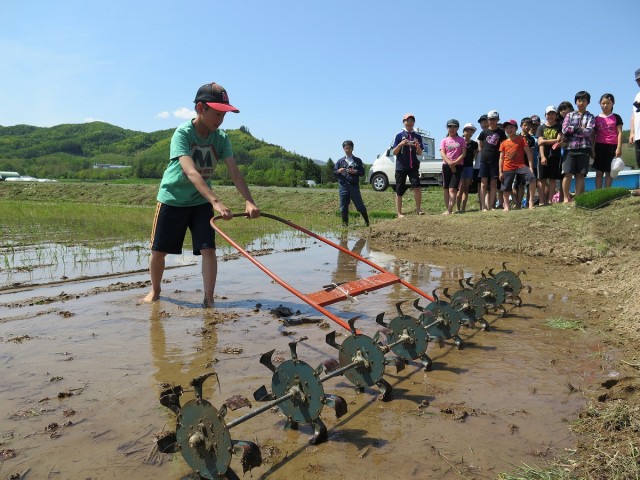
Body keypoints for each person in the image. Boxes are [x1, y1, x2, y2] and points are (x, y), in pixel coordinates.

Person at [142, 82, 260, 307]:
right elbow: (191, 171)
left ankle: (209, 299)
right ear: (200, 108)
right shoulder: (183, 134)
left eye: (224, 114)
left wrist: (249, 201)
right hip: (173, 199)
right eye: (216, 113)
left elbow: (234, 172)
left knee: (208, 249)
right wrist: (216, 201)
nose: (220, 119)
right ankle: (155, 291)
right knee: (159, 251)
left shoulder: (221, 138)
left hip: (200, 202)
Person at [561, 91, 595, 202]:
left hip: (584, 148)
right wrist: (579, 129)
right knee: (567, 173)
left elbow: (589, 132)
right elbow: (565, 130)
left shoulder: (590, 116)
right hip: (570, 148)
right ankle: (566, 198)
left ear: (588, 102)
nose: (581, 103)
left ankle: (578, 198)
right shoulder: (569, 115)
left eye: (584, 100)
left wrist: (573, 129)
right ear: (576, 102)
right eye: (579, 100)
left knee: (580, 175)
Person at [498, 119, 536, 211]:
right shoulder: (503, 143)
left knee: (532, 178)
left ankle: (531, 201)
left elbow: (528, 153)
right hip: (507, 167)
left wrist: (530, 167)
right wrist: (500, 172)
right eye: (507, 128)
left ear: (516, 128)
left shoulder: (522, 139)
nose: (509, 129)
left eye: (511, 127)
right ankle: (506, 205)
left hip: (521, 166)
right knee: (506, 186)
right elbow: (501, 158)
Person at [392, 113, 425, 217]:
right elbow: (394, 152)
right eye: (407, 120)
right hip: (401, 166)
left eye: (411, 120)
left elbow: (420, 153)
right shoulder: (398, 135)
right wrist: (401, 144)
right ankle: (399, 213)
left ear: (414, 122)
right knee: (399, 189)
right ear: (404, 122)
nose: (409, 122)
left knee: (417, 187)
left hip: (413, 165)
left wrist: (417, 146)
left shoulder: (418, 136)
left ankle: (418, 209)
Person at [334, 140, 370, 227]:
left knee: (359, 205)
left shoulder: (357, 160)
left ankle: (367, 223)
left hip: (354, 186)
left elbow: (362, 173)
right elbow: (334, 172)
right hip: (343, 186)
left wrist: (355, 171)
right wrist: (339, 170)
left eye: (349, 148)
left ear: (352, 148)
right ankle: (344, 224)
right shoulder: (340, 161)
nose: (347, 150)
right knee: (343, 207)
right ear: (343, 149)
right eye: (345, 148)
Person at [477, 110, 507, 211]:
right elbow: (480, 145)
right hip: (484, 160)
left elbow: (504, 145)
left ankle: (491, 206)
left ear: (497, 120)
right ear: (488, 120)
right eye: (490, 119)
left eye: (494, 119)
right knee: (483, 183)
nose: (492, 121)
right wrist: (484, 153)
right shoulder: (483, 132)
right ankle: (483, 207)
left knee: (494, 184)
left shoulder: (501, 132)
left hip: (496, 161)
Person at [593, 94, 624, 189]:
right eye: (603, 103)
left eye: (608, 103)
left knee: (609, 172)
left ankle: (606, 192)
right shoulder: (596, 118)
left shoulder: (616, 117)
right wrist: (592, 149)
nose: (605, 105)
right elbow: (593, 135)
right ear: (600, 104)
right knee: (599, 172)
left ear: (613, 103)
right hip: (599, 146)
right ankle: (598, 193)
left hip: (612, 147)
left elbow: (619, 133)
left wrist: (618, 148)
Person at [537, 106, 563, 205]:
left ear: (556, 115)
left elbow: (558, 139)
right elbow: (540, 143)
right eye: (549, 114)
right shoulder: (541, 127)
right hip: (543, 155)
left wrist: (544, 141)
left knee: (552, 179)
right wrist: (543, 156)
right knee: (541, 179)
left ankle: (550, 200)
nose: (551, 116)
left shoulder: (559, 126)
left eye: (553, 114)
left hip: (555, 156)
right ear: (545, 115)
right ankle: (541, 200)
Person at [439, 119, 466, 215]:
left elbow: (463, 154)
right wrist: (450, 163)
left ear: (457, 128)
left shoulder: (461, 140)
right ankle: (449, 209)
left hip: (458, 166)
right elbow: (442, 153)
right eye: (450, 126)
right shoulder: (444, 140)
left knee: (453, 188)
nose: (452, 128)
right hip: (446, 165)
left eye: (454, 126)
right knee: (446, 188)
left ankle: (450, 209)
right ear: (447, 128)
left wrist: (454, 163)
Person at [457, 123, 478, 213]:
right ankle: (457, 208)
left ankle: (463, 208)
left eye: (471, 131)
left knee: (466, 188)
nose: (469, 133)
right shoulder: (459, 141)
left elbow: (474, 154)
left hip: (469, 167)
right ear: (463, 131)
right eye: (467, 130)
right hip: (460, 166)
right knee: (460, 188)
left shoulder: (474, 144)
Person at [631, 68, 640, 168]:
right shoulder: (637, 95)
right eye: (638, 80)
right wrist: (632, 132)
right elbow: (633, 115)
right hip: (638, 135)